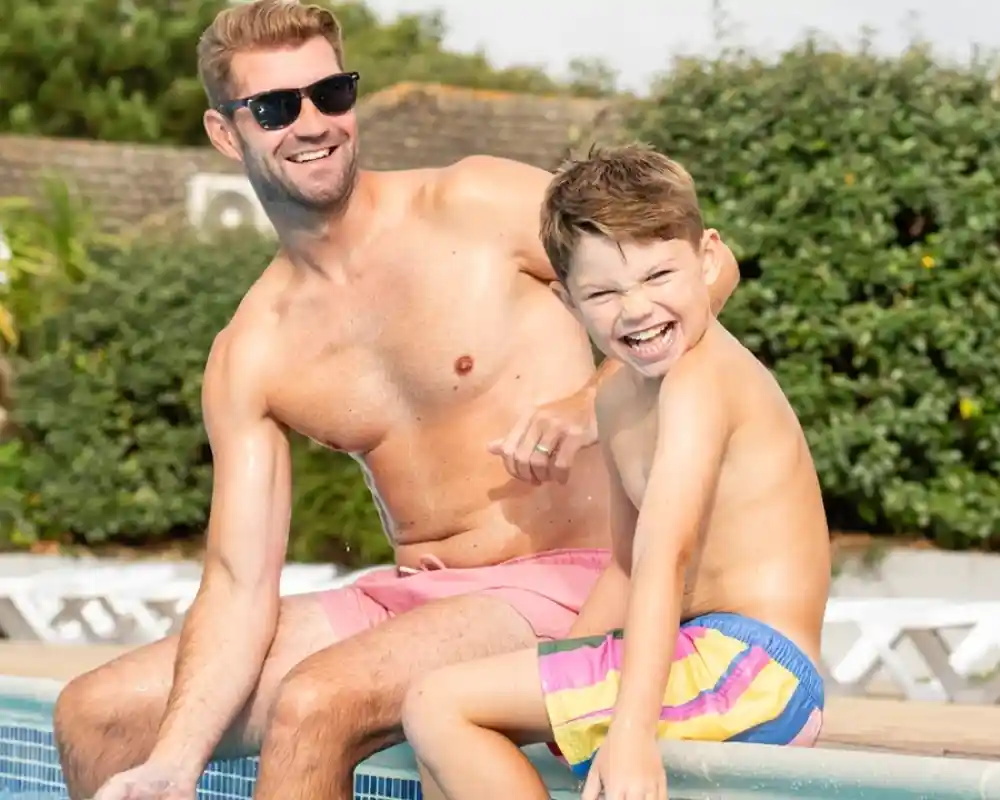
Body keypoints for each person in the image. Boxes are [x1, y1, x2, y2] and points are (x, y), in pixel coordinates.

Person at [51, 5, 741, 800]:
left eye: (331, 94)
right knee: (95, 714)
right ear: (224, 132)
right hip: (414, 599)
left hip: (581, 582)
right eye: (277, 108)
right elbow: (241, 582)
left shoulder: (474, 205)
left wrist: (598, 396)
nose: (312, 123)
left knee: (318, 700)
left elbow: (701, 268)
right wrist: (173, 762)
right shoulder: (253, 350)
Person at [401, 144, 831, 800]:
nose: (635, 310)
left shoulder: (699, 378)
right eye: (603, 292)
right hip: (706, 659)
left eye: (659, 277)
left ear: (708, 259)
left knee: (439, 703)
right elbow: (628, 566)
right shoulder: (616, 398)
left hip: (755, 668)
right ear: (568, 303)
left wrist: (630, 737)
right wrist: (553, 667)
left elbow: (667, 557)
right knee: (447, 737)